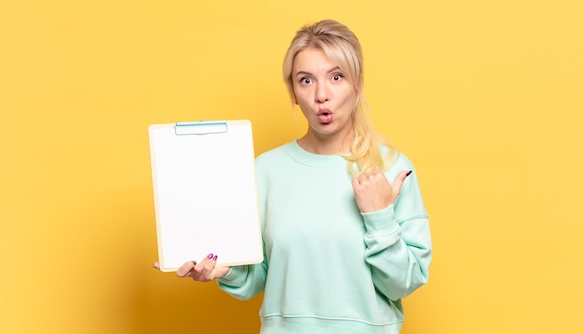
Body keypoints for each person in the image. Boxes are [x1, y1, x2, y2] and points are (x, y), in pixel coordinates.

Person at [155, 19, 432, 334]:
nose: (321, 95)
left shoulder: (392, 168)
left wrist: (379, 217)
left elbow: (405, 282)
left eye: (336, 77)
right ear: (293, 92)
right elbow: (259, 277)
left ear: (357, 84)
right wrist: (225, 270)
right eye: (306, 80)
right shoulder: (265, 170)